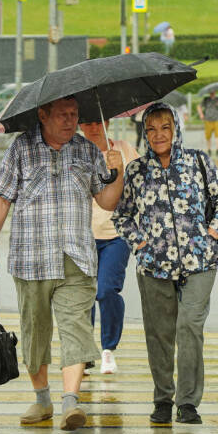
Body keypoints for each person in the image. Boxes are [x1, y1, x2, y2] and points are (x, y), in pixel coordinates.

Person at [0, 98, 125, 431]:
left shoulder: (87, 151)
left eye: (74, 115)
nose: (70, 121)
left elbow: (106, 201)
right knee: (35, 331)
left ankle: (71, 402)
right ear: (43, 115)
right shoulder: (21, 149)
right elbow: (1, 199)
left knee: (76, 327)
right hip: (31, 259)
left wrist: (117, 175)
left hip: (76, 257)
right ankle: (43, 399)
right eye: (62, 115)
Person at [113, 103, 218, 425]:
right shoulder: (136, 171)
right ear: (144, 133)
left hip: (201, 261)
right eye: (151, 129)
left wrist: (212, 234)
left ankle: (188, 403)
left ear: (176, 129)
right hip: (154, 266)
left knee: (189, 326)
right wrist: (141, 245)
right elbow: (122, 216)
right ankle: (163, 399)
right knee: (160, 333)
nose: (158, 135)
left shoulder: (198, 161)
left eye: (165, 127)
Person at [79, 119, 140, 375]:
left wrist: (121, 170)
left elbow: (142, 187)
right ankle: (84, 352)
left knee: (106, 290)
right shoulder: (75, 153)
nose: (93, 128)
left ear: (107, 122)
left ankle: (108, 348)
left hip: (116, 234)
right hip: (82, 235)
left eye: (98, 122)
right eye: (87, 123)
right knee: (83, 296)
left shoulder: (124, 149)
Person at [198, 90, 218, 156]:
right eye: (211, 92)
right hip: (208, 119)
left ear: (215, 92)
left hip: (216, 119)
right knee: (208, 136)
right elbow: (199, 107)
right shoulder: (206, 99)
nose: (212, 93)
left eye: (213, 92)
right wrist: (201, 114)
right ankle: (209, 149)